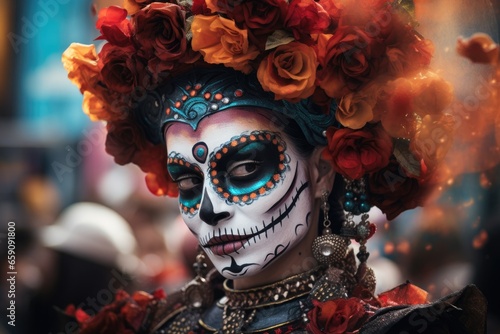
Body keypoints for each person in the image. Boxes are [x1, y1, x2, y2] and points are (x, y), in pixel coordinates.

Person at [61, 0, 489, 333]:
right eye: (189, 180)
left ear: (322, 171)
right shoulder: (154, 326)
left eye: (245, 170)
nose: (209, 208)